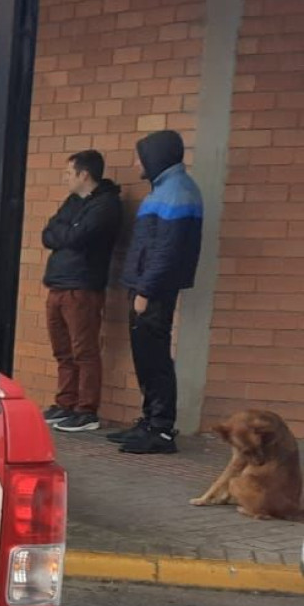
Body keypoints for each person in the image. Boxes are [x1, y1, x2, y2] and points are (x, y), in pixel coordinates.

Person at [108, 130, 203, 455]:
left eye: (140, 156)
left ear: (156, 156)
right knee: (146, 357)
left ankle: (161, 429)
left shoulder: (177, 192)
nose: (137, 163)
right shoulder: (166, 188)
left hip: (153, 290)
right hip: (145, 286)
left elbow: (167, 252)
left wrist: (145, 291)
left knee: (155, 358)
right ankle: (149, 421)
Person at [40, 150, 122, 433]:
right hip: (58, 284)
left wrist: (66, 232)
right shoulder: (73, 201)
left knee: (83, 351)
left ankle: (86, 410)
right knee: (62, 351)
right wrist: (67, 231)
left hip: (83, 287)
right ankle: (65, 403)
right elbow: (48, 233)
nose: (65, 178)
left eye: (68, 173)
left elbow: (77, 237)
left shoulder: (106, 205)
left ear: (83, 174)